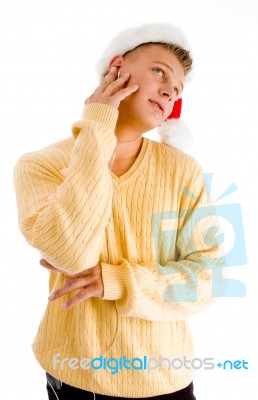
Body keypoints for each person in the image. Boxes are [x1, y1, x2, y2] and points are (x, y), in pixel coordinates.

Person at [13, 23, 224, 400]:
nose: (168, 90)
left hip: (166, 378)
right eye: (159, 71)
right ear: (117, 68)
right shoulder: (39, 165)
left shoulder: (183, 170)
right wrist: (97, 122)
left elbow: (209, 279)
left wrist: (119, 282)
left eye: (177, 89)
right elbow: (70, 252)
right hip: (77, 377)